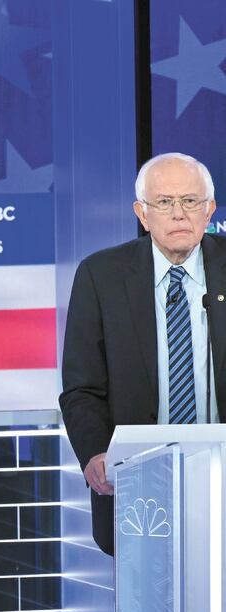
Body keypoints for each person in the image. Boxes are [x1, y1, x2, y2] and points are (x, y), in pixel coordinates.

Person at [60, 152, 226, 555]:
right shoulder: (101, 276)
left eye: (190, 201)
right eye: (164, 202)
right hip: (138, 482)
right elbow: (81, 387)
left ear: (210, 211)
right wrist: (95, 452)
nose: (178, 214)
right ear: (142, 213)